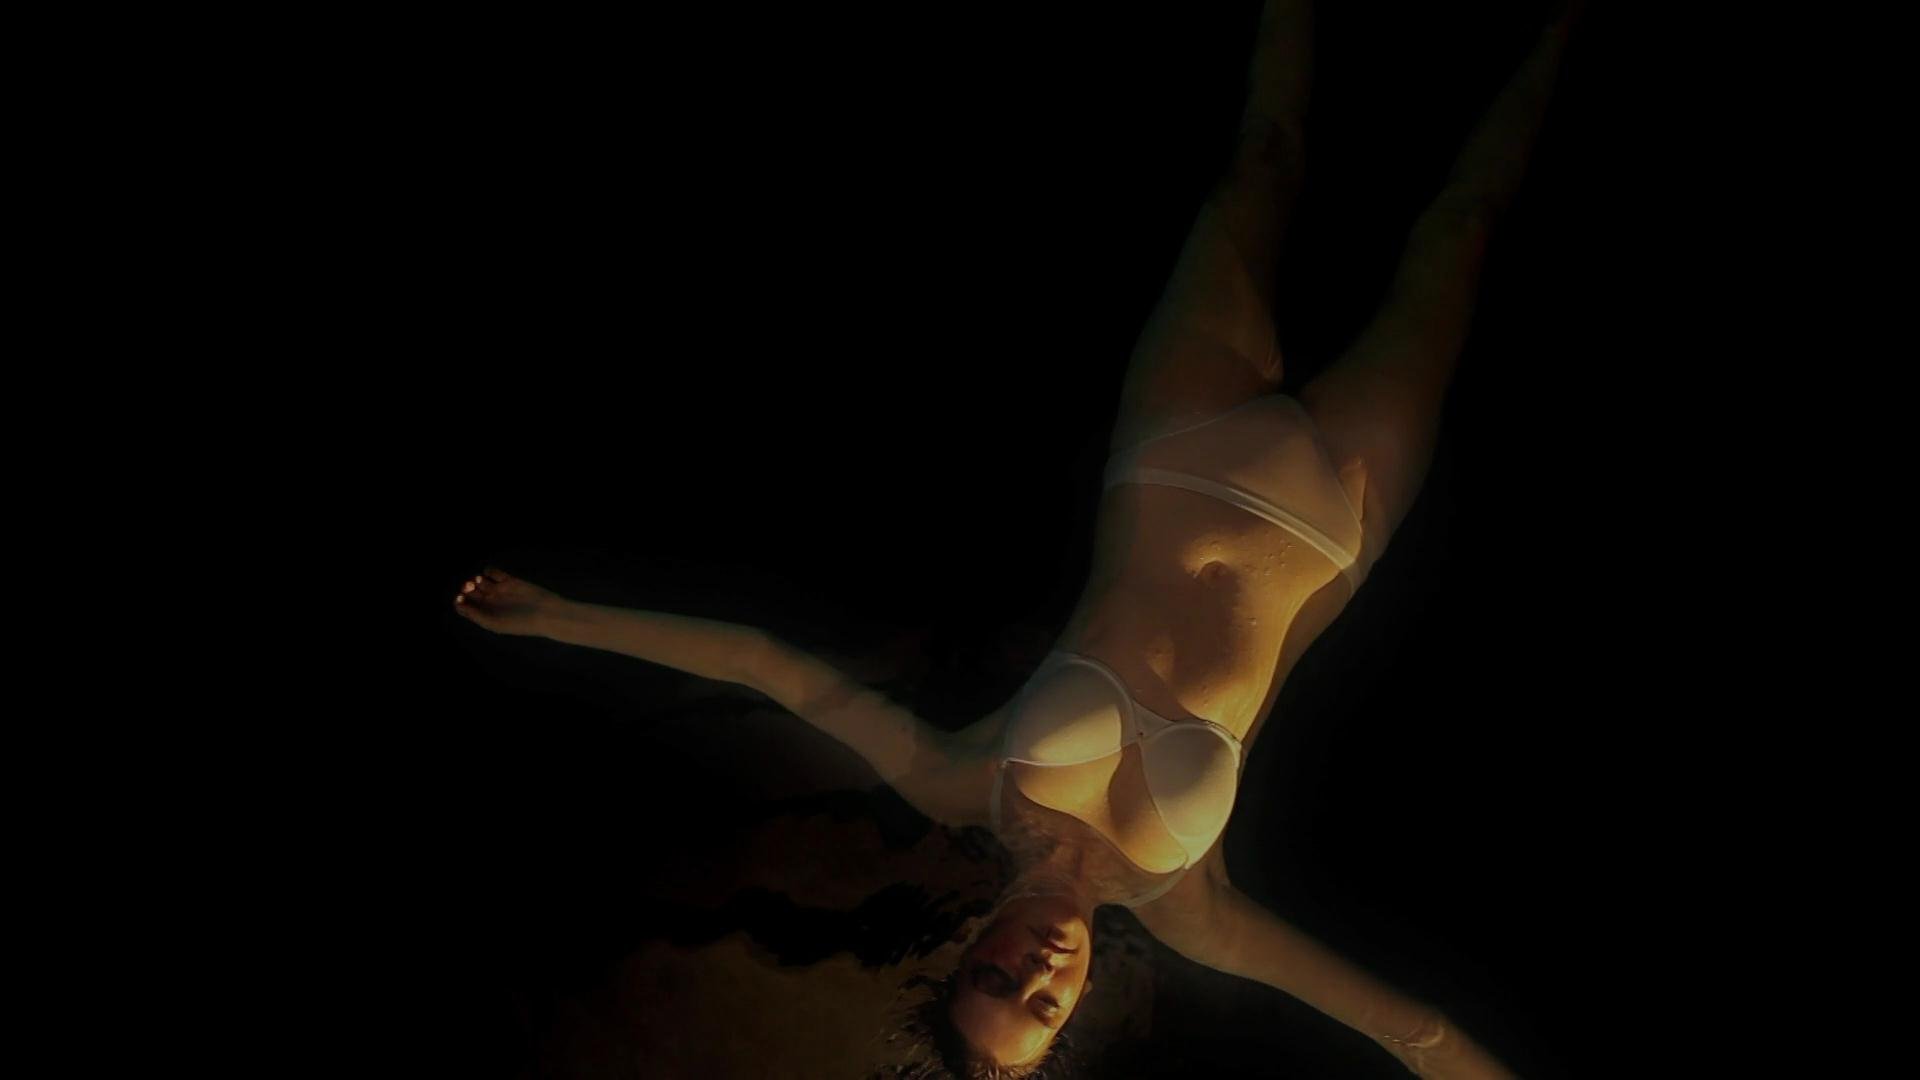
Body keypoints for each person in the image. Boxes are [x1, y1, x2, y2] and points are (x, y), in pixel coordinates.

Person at [454, 2, 1585, 1075]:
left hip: (1178, 441)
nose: (1037, 969)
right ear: (1074, 1006)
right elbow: (1417, 1034)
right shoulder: (1192, 911)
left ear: (963, 954)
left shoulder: (963, 780)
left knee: (1265, 156)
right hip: (1337, 510)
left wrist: (557, 617)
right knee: (1461, 230)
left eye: (995, 979)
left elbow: (762, 664)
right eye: (1044, 1004)